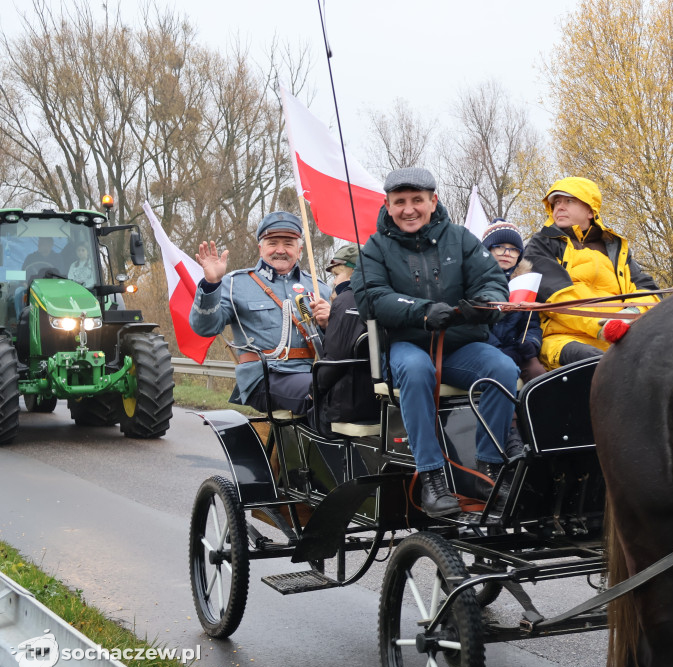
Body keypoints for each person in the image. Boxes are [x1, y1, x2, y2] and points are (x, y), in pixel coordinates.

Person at [352, 167, 519, 517]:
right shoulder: (374, 248)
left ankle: (490, 469)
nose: (409, 209)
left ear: (433, 201)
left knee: (503, 368)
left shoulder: (461, 239)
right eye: (400, 202)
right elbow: (371, 297)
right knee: (415, 369)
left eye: (417, 200)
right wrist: (422, 311)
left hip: (460, 346)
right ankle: (431, 477)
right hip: (407, 345)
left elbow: (492, 284)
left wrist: (482, 306)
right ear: (388, 205)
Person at [190, 211, 331, 416]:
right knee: (322, 392)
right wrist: (211, 284)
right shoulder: (235, 284)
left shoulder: (319, 288)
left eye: (289, 243)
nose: (280, 250)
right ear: (260, 248)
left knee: (356, 390)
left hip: (313, 373)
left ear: (300, 250)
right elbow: (205, 328)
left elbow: (334, 346)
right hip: (264, 377)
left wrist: (329, 324)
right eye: (272, 242)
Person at [521, 177, 660, 369]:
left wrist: (631, 313)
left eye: (569, 201)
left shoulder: (616, 249)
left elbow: (648, 292)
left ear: (590, 211)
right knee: (599, 363)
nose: (559, 207)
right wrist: (602, 328)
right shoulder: (541, 244)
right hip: (562, 339)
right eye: (556, 202)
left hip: (620, 336)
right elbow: (558, 298)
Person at [317, 242, 376, 432]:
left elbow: (335, 359)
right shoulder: (382, 297)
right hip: (380, 400)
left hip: (349, 403)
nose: (334, 282)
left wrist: (313, 390)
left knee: (310, 412)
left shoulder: (345, 300)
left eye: (336, 275)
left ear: (352, 273)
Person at [480, 219, 544, 382]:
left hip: (518, 349)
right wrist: (498, 349)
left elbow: (532, 324)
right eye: (500, 247)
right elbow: (473, 326)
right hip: (485, 350)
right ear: (487, 250)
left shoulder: (525, 284)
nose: (507, 253)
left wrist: (531, 342)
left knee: (539, 375)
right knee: (503, 372)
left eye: (513, 249)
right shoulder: (475, 281)